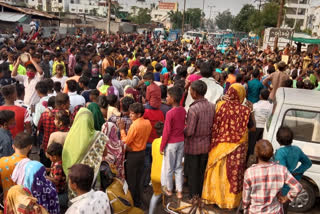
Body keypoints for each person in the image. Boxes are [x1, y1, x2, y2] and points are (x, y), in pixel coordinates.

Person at [202, 83, 255, 209]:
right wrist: (251, 111)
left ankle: (212, 197)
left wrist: (220, 99)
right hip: (237, 148)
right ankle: (229, 202)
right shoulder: (245, 111)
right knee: (232, 174)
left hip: (219, 146)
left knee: (216, 172)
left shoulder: (220, 106)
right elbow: (252, 129)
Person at [243, 140, 302, 214]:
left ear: (256, 154)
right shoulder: (281, 170)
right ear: (272, 153)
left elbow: (246, 199)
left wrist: (245, 209)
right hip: (275, 211)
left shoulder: (249, 172)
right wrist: (287, 197)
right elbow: (297, 187)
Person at [184, 80, 215, 199]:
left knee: (193, 173)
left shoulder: (193, 109)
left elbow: (190, 131)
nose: (190, 92)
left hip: (193, 146)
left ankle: (193, 196)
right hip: (206, 145)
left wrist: (182, 131)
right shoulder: (212, 106)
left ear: (195, 93)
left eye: (191, 90)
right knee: (202, 171)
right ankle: (201, 194)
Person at [118, 103, 152, 207]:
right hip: (142, 154)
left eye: (132, 114)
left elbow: (126, 142)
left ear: (139, 114)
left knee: (132, 181)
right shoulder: (148, 123)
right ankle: (137, 201)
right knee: (139, 180)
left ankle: (132, 203)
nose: (130, 115)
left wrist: (122, 130)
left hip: (133, 156)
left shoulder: (135, 125)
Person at [62, 108, 108, 184]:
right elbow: (105, 153)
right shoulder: (99, 136)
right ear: (91, 120)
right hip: (92, 177)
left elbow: (65, 156)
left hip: (74, 177)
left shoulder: (70, 135)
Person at [274, 127, 312, 214]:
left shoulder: (280, 152)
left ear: (277, 139)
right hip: (292, 185)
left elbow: (282, 172)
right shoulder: (296, 149)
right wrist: (297, 172)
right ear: (292, 139)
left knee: (279, 209)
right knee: (285, 208)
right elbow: (308, 163)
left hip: (281, 188)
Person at [160, 86, 186, 199]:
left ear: (173, 98)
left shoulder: (170, 113)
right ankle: (179, 191)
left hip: (171, 143)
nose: (166, 98)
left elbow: (166, 131)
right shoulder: (183, 110)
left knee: (170, 168)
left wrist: (162, 146)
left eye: (168, 96)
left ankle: (170, 189)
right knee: (179, 167)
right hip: (181, 141)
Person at [38, 93, 70, 165]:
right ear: (63, 105)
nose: (69, 105)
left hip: (47, 148)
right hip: (62, 153)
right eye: (68, 104)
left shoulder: (45, 114)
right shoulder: (67, 115)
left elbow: (39, 128)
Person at [0, 132, 33, 199]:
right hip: (23, 205)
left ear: (13, 146)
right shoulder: (31, 165)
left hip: (7, 202)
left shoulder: (2, 161)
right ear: (30, 147)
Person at [250, 89, 273, 155]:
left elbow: (252, 115)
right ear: (268, 96)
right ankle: (261, 157)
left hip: (256, 127)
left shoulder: (255, 105)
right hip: (265, 128)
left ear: (260, 96)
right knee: (263, 146)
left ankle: (251, 157)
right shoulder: (271, 106)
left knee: (252, 144)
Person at [46, 142, 67, 212]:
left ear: (54, 157)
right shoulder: (58, 162)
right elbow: (53, 169)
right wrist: (48, 169)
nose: (49, 158)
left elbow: (56, 181)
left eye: (49, 157)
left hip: (58, 191)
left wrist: (45, 177)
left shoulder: (58, 166)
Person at [149, 122, 164, 214]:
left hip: (154, 174)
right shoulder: (168, 144)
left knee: (156, 195)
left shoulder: (154, 142)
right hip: (164, 176)